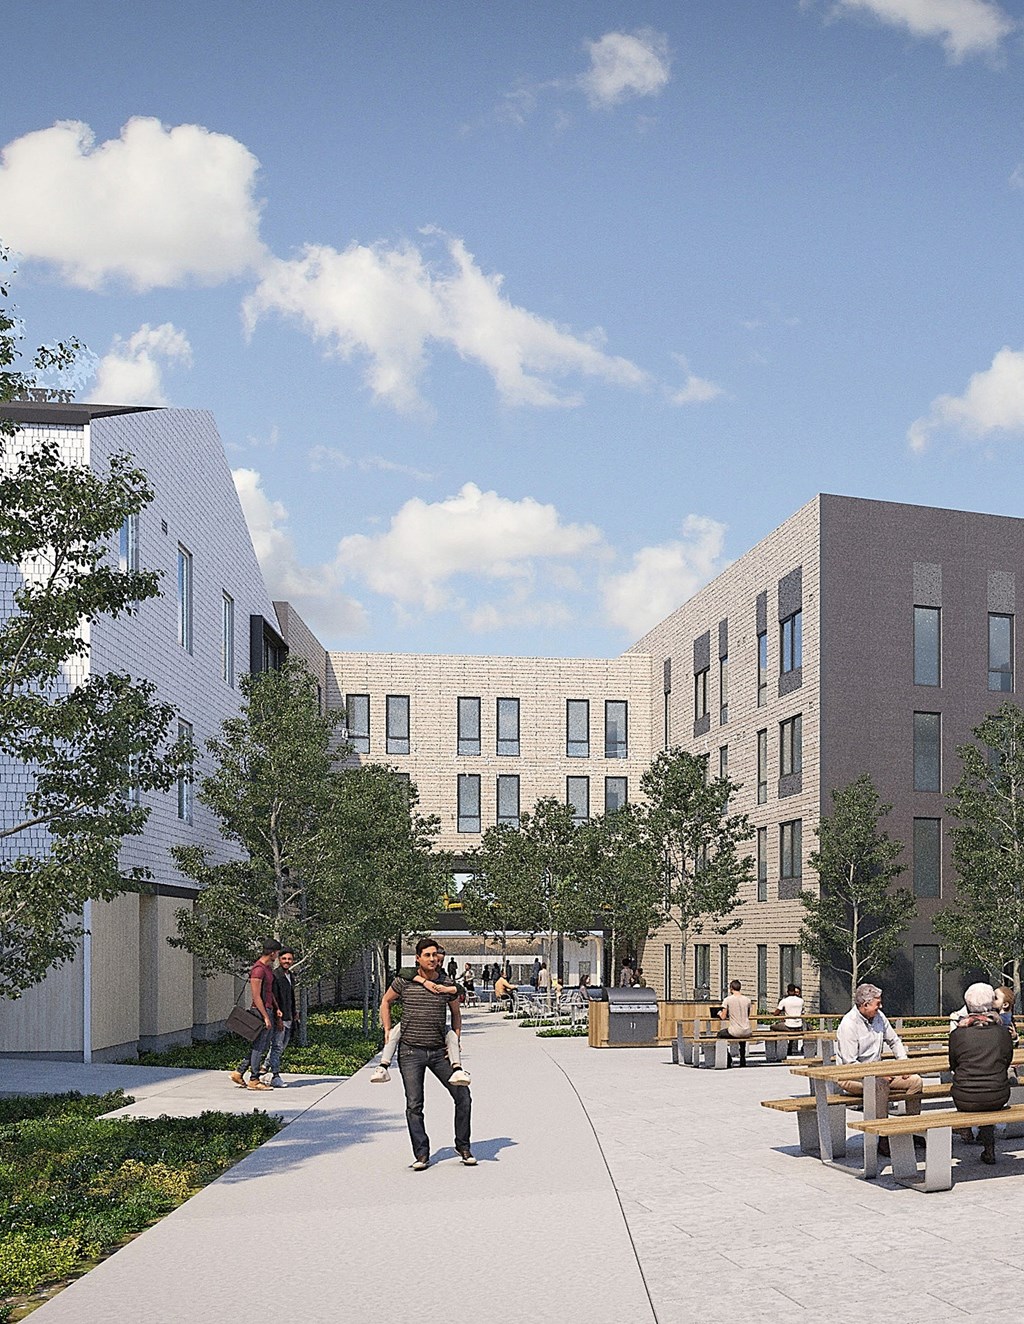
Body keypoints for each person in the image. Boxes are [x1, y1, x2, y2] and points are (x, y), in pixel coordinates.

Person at [380, 937, 474, 1169]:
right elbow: (385, 1002)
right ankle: (422, 1153)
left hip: (439, 1052)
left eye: (435, 954)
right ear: (418, 959)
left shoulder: (446, 983)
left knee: (463, 1097)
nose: (432, 959)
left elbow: (456, 1013)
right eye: (427, 955)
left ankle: (463, 1145)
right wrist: (387, 1031)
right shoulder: (405, 980)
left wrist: (456, 1038)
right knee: (414, 1104)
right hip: (411, 1052)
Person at [834, 983, 923, 1153]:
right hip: (850, 1077)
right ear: (865, 1005)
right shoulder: (848, 1025)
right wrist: (877, 1074)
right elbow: (850, 1064)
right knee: (880, 1084)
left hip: (878, 1072)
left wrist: (903, 1064)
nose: (880, 1006)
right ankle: (883, 1137)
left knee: (916, 1081)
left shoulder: (879, 1017)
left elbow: (894, 1041)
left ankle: (912, 1129)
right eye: (877, 1003)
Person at [371, 962, 469, 1085]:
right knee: (394, 1033)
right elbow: (402, 973)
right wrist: (424, 982)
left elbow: (459, 991)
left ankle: (458, 1069)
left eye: (439, 959)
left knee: (452, 1035)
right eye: (429, 955)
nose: (435, 961)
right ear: (418, 958)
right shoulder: (408, 977)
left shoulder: (445, 979)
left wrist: (447, 989)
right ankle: (383, 1066)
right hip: (410, 1037)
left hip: (437, 1038)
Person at [949, 982, 1014, 1165]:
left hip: (964, 1097)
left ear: (967, 1005)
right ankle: (988, 1147)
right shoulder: (1003, 1033)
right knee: (987, 1092)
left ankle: (966, 1130)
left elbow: (953, 1065)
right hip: (998, 1095)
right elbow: (1006, 1061)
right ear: (991, 1003)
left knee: (974, 1092)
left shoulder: (957, 1034)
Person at [230, 939, 281, 1091]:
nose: (277, 956)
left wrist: (276, 1008)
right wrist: (265, 1016)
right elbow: (256, 996)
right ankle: (254, 1079)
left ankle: (239, 1072)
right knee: (260, 1045)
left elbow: (269, 992)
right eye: (277, 953)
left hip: (268, 1009)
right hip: (260, 1011)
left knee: (260, 1044)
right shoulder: (258, 969)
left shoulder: (267, 968)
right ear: (272, 952)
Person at [266, 947, 299, 1088]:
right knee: (277, 1047)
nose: (287, 961)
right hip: (279, 1017)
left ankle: (263, 1069)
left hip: (289, 1016)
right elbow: (274, 999)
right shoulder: (276, 976)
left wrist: (294, 1012)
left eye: (289, 959)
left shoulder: (290, 975)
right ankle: (275, 1075)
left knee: (281, 1047)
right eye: (284, 958)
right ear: (279, 959)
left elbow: (290, 997)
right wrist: (278, 1018)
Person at [716, 979, 753, 1067]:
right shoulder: (747, 1000)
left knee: (719, 1035)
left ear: (731, 988)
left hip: (734, 1031)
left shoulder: (727, 1000)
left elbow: (723, 1017)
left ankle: (728, 1059)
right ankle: (742, 1058)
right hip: (747, 1030)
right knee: (742, 1036)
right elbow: (747, 1014)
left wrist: (719, 1013)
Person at [776, 982, 804, 1056]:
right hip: (799, 1025)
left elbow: (776, 1013)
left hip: (788, 1026)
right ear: (795, 991)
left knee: (773, 1027)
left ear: (787, 991)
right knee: (793, 1032)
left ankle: (777, 1048)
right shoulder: (801, 1001)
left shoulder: (784, 1001)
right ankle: (790, 1046)